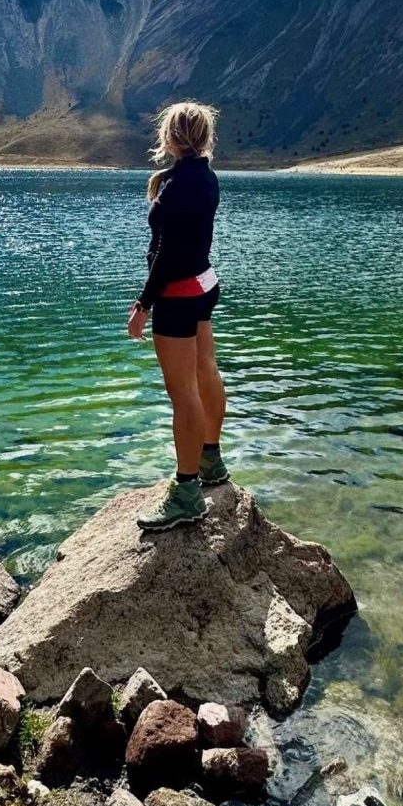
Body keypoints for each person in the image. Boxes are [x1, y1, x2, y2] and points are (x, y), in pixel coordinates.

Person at [126, 101, 228, 531]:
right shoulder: (203, 177)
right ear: (204, 137)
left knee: (182, 392)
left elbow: (167, 255)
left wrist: (142, 306)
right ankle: (210, 460)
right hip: (203, 283)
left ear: (170, 137)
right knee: (206, 370)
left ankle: (187, 493)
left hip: (178, 293)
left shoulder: (179, 184)